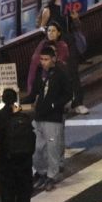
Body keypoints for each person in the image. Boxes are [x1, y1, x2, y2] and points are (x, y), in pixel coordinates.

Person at [0, 88, 37, 202]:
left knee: (7, 200)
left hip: (6, 164)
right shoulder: (23, 116)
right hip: (24, 164)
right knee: (23, 198)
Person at [32, 47, 72, 190]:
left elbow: (68, 94)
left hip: (53, 118)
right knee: (37, 148)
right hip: (39, 116)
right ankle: (41, 172)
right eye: (41, 59)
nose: (43, 62)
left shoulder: (61, 74)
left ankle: (51, 176)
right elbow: (35, 91)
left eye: (46, 59)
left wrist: (55, 105)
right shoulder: (40, 72)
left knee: (52, 148)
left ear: (53, 59)